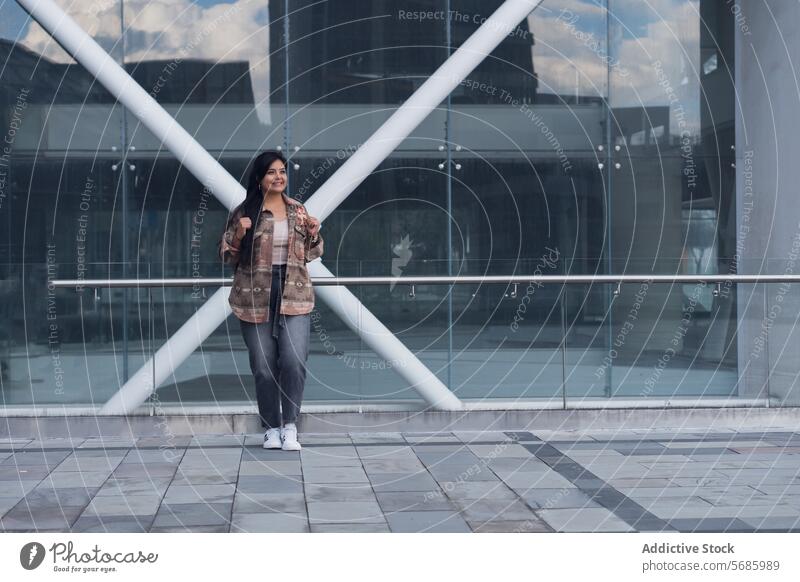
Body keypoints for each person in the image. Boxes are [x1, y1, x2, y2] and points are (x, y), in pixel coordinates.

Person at [219, 151, 323, 450]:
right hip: (254, 295)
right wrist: (239, 233)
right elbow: (227, 256)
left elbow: (312, 254)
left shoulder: (298, 211)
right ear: (259, 178)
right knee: (263, 366)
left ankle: (290, 426)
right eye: (271, 172)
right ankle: (271, 428)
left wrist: (314, 234)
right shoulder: (244, 212)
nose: (279, 177)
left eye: (283, 171)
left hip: (293, 292)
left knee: (293, 361)